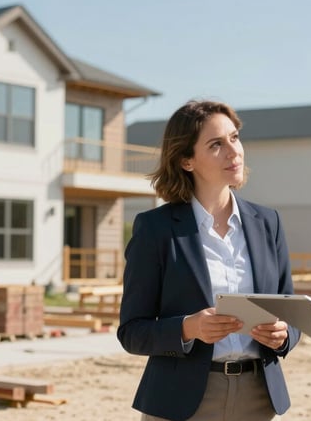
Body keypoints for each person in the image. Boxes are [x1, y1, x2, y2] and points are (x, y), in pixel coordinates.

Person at [117, 100, 301, 421]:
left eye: (234, 137)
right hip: (179, 401)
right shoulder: (155, 229)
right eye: (216, 144)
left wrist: (284, 334)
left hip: (258, 398)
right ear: (187, 160)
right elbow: (132, 332)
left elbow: (290, 309)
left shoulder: (267, 222)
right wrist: (189, 328)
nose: (234, 151)